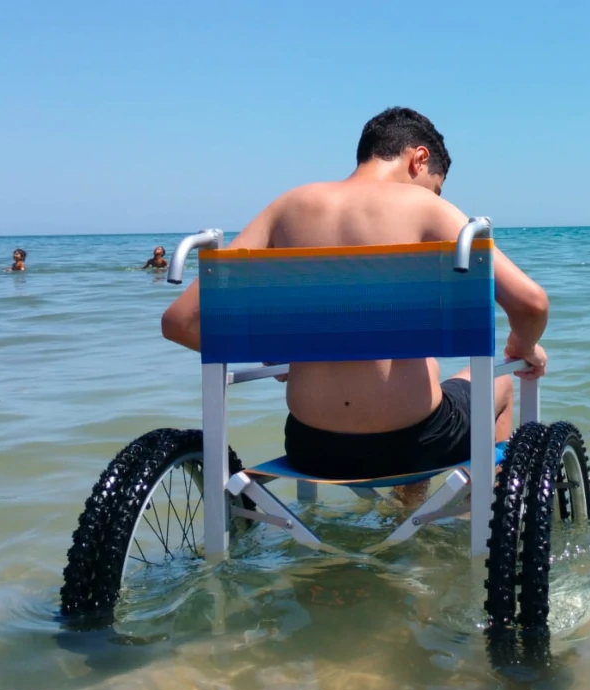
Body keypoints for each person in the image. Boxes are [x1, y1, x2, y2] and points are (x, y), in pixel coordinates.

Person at [161, 107, 549, 480]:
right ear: (419, 158)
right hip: (416, 445)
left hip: (310, 449)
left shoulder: (287, 208)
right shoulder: (426, 209)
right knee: (499, 383)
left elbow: (181, 322)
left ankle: (405, 511)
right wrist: (525, 347)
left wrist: (272, 356)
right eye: (436, 186)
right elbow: (531, 304)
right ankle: (475, 514)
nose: (435, 196)